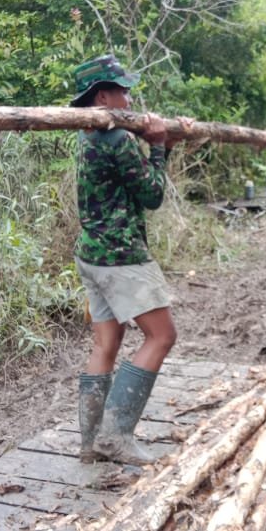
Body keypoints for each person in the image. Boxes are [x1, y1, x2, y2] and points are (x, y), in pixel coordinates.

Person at [69, 54, 191, 465]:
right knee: (162, 336)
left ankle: (90, 443)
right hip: (121, 255)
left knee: (106, 343)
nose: (129, 98)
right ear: (102, 97)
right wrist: (157, 147)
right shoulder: (117, 139)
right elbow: (152, 195)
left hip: (91, 253)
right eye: (122, 91)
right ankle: (115, 436)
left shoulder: (88, 133)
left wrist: (163, 144)